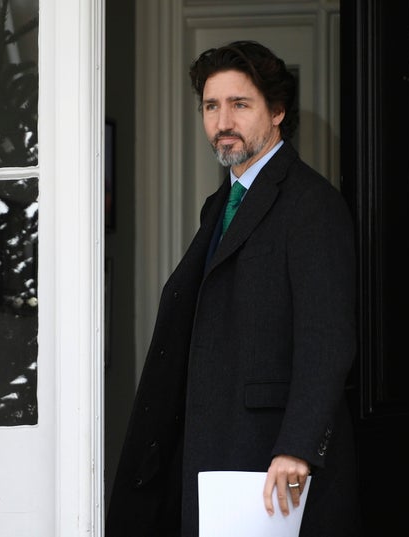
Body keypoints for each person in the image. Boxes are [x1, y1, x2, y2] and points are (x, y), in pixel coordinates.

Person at [106, 40, 361, 537]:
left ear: (278, 111)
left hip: (273, 459)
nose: (223, 120)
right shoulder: (219, 205)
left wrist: (298, 445)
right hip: (215, 452)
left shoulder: (312, 204)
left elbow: (327, 338)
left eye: (239, 104)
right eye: (210, 105)